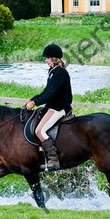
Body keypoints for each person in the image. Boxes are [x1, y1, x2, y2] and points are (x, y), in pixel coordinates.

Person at [23, 43, 72, 171]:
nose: (45, 61)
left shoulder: (60, 73)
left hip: (59, 107)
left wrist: (35, 103)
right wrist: (32, 99)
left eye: (47, 58)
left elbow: (52, 94)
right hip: (53, 106)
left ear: (54, 58)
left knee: (39, 130)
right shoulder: (52, 72)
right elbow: (46, 91)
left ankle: (53, 160)